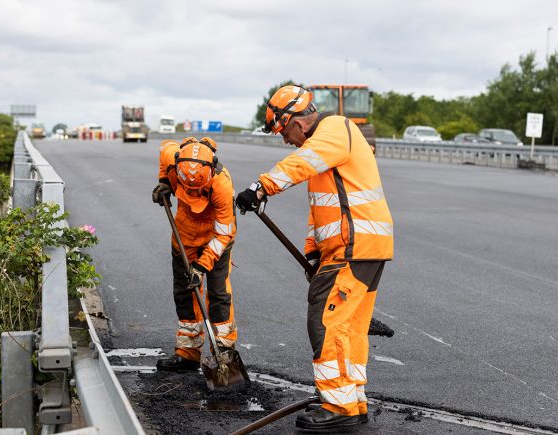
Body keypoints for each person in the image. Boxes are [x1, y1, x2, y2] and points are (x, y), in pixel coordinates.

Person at [235, 85, 394, 432]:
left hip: (355, 246)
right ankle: (351, 400)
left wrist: (260, 188)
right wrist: (313, 249)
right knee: (350, 327)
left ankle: (337, 405)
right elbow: (324, 208)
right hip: (359, 247)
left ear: (296, 121)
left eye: (283, 131)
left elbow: (298, 165)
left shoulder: (334, 130)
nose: (285, 140)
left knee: (326, 321)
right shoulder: (327, 147)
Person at [152, 136, 238, 371]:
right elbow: (164, 149)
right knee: (185, 291)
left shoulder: (222, 184)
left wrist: (202, 266)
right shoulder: (173, 158)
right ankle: (188, 352)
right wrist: (164, 182)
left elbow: (224, 235)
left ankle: (224, 353)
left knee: (219, 292)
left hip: (216, 236)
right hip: (184, 235)